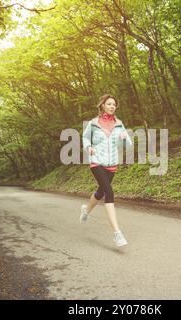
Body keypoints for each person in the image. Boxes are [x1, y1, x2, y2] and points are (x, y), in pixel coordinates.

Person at [80, 94, 133, 247]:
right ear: (102, 105)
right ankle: (117, 233)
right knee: (109, 192)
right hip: (97, 161)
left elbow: (128, 146)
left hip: (112, 163)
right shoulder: (94, 123)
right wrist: (89, 147)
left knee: (101, 192)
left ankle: (86, 211)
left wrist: (125, 137)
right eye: (109, 104)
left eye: (114, 104)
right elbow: (85, 138)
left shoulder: (119, 124)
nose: (112, 106)